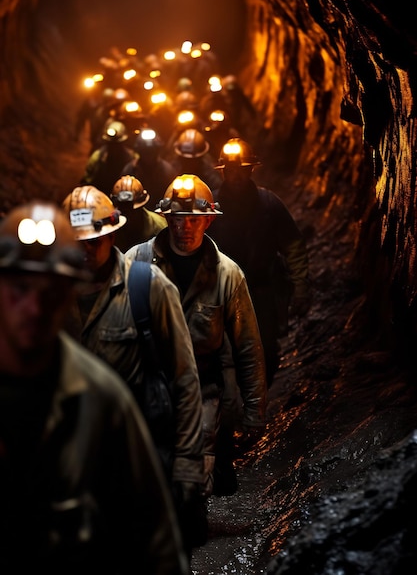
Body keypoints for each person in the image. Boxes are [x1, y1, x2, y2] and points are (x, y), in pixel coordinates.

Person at [0, 200, 190, 574]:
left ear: (72, 293)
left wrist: (189, 462)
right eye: (20, 288)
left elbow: (155, 539)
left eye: (52, 291)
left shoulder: (102, 398)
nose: (36, 308)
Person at [61, 185, 207, 557]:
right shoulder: (50, 297)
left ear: (111, 234)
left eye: (92, 242)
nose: (82, 251)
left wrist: (188, 464)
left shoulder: (148, 287)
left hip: (140, 461)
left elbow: (185, 379)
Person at [125, 174, 267, 498]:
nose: (183, 227)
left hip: (205, 387)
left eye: (192, 219)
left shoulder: (227, 273)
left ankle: (191, 517)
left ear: (208, 221)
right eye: (176, 218)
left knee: (197, 463)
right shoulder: (136, 263)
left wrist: (254, 413)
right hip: (151, 380)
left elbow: (248, 345)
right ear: (166, 218)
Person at [207, 137, 311, 388]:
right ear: (223, 172)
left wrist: (300, 288)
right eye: (230, 171)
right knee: (222, 353)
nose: (236, 176)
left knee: (266, 351)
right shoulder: (211, 206)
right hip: (221, 293)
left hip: (262, 292)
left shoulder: (268, 203)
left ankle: (257, 405)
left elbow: (293, 246)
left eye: (241, 170)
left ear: (251, 169)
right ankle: (232, 409)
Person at [121, 126, 178, 208]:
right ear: (139, 151)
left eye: (151, 152)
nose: (148, 156)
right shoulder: (130, 171)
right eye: (145, 152)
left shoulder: (167, 171)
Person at [110, 174, 167, 252]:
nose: (128, 217)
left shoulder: (161, 228)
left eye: (133, 212)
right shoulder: (109, 230)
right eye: (124, 212)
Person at [80, 120, 138, 196]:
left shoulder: (133, 159)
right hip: (101, 198)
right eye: (111, 144)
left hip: (125, 199)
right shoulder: (97, 157)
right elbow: (87, 182)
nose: (114, 148)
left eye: (117, 144)